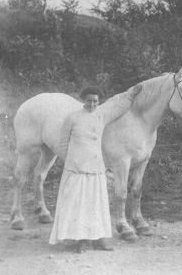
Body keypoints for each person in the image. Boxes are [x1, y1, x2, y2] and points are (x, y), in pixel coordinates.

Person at [49, 83, 143, 253]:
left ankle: (98, 239)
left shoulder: (102, 115)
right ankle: (81, 240)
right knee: (79, 205)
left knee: (96, 205)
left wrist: (132, 94)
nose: (92, 104)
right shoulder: (72, 117)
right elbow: (63, 144)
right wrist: (71, 162)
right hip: (76, 169)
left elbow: (119, 109)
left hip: (95, 167)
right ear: (83, 100)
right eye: (89, 101)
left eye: (95, 101)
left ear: (99, 102)